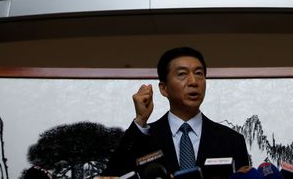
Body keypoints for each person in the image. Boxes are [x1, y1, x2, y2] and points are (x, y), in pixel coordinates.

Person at [103, 46, 249, 176]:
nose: (193, 82)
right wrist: (140, 120)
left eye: (199, 73)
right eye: (182, 74)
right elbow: (112, 174)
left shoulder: (232, 140)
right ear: (164, 88)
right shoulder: (142, 139)